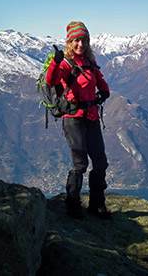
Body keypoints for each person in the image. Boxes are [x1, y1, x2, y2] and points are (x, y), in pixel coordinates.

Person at [46, 21, 110, 219]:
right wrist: (56, 62)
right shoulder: (65, 63)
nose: (80, 44)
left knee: (100, 162)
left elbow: (99, 80)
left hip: (91, 117)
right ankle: (73, 205)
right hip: (73, 119)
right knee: (80, 163)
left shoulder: (89, 62)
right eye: (76, 40)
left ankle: (97, 204)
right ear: (70, 42)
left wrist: (104, 92)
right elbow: (52, 80)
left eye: (83, 40)